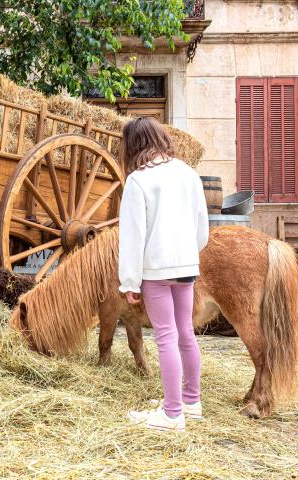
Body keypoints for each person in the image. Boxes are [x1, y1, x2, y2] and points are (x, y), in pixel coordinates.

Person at [118, 117, 209, 432]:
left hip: (156, 270)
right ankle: (191, 402)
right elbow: (202, 227)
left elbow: (132, 236)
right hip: (186, 266)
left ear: (132, 145)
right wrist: (188, 257)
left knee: (166, 337)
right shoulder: (188, 173)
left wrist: (129, 281)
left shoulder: (138, 180)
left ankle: (172, 414)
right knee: (185, 333)